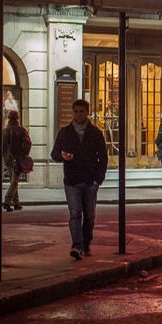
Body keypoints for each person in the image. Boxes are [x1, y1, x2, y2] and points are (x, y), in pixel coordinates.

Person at [51, 99, 108, 260]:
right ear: (72, 112)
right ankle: (77, 245)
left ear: (87, 112)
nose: (79, 114)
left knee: (89, 216)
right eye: (76, 111)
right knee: (75, 214)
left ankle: (86, 242)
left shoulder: (95, 133)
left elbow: (103, 158)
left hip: (90, 181)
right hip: (72, 181)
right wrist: (62, 156)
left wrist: (98, 179)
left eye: (82, 111)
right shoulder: (65, 132)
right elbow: (54, 154)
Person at [3, 110, 29, 211]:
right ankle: (7, 201)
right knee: (14, 181)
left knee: (13, 180)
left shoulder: (4, 131)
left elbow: (2, 147)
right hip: (17, 159)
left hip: (8, 159)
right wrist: (24, 154)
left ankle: (16, 203)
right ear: (17, 118)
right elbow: (27, 144)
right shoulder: (21, 130)